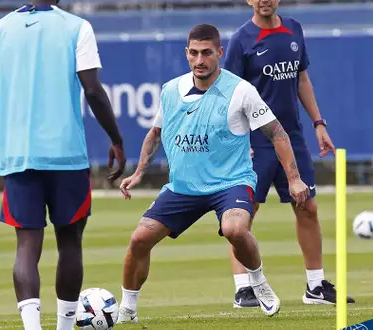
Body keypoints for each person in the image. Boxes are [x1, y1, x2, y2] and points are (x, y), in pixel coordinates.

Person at [116, 24, 309, 323]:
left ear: (219, 53)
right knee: (139, 239)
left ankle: (258, 281)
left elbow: (278, 133)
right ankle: (126, 310)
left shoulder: (241, 90)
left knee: (235, 230)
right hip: (183, 187)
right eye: (193, 53)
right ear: (186, 54)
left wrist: (294, 178)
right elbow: (155, 133)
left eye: (207, 53)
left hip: (230, 183)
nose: (200, 60)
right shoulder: (170, 90)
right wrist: (139, 171)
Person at [0, 0, 126, 329]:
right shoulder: (77, 27)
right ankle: (65, 327)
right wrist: (116, 139)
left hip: (18, 155)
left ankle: (32, 328)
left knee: (27, 246)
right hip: (66, 156)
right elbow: (94, 91)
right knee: (70, 243)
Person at [224, 0, 355, 307]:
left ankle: (315, 286)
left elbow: (302, 80)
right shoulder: (241, 40)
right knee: (243, 215)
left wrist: (319, 124)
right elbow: (227, 94)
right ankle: (244, 288)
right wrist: (237, 141)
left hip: (292, 138)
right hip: (255, 140)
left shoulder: (294, 29)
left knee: (307, 206)